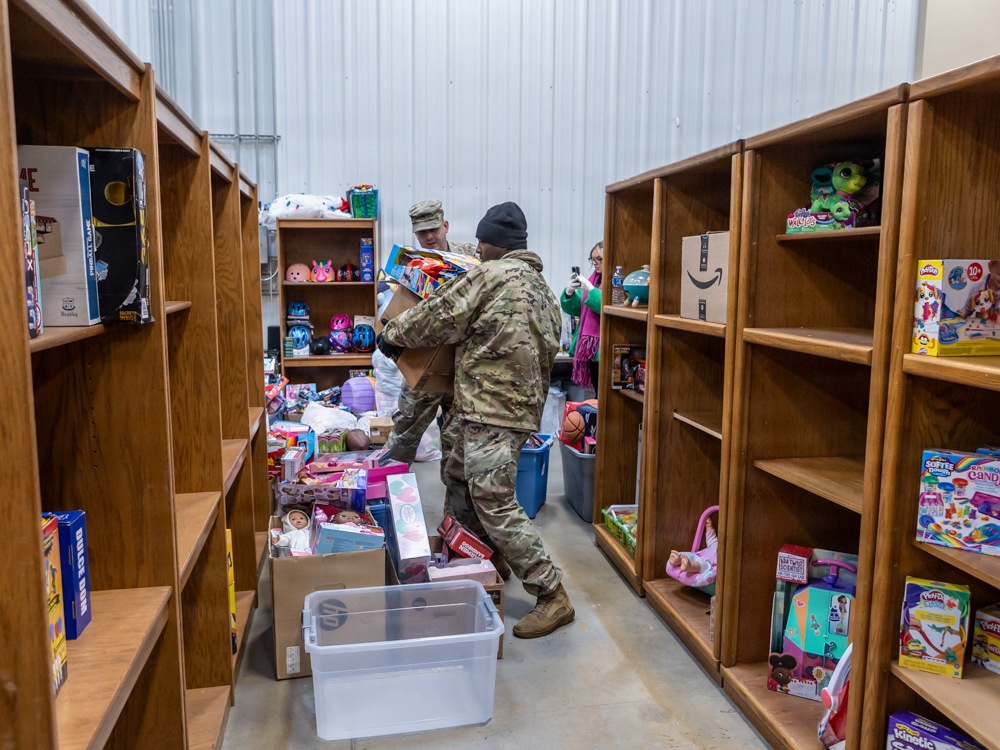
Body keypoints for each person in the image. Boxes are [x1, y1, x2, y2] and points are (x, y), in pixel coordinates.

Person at [378, 201, 574, 639]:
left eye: (483, 242)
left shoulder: (490, 275)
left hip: (492, 410)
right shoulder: (542, 288)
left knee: (493, 498)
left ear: (493, 244)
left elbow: (439, 315)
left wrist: (391, 334)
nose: (479, 249)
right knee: (458, 477)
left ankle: (551, 592)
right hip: (510, 410)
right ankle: (482, 558)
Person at [383, 200, 476, 472]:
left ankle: (454, 498)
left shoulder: (469, 257)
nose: (429, 236)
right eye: (422, 232)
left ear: (445, 226)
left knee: (457, 438)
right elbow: (402, 307)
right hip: (422, 360)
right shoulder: (411, 264)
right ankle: (388, 487)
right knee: (405, 428)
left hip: (460, 362)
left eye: (434, 229)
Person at [561, 241, 603, 393]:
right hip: (590, 351)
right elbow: (576, 308)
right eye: (592, 259)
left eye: (599, 259)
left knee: (603, 393)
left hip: (603, 348)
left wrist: (592, 291)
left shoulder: (617, 282)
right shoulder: (594, 280)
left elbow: (606, 307)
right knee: (597, 392)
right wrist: (569, 293)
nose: (595, 263)